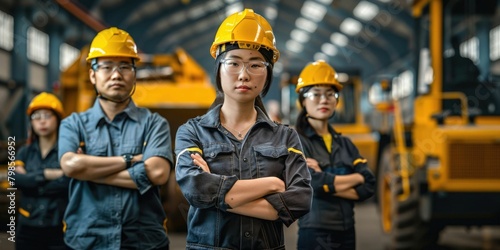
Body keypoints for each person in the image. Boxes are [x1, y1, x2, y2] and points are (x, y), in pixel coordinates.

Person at [175, 9, 312, 250]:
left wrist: (215, 196)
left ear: (268, 72)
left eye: (255, 64)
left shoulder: (286, 137)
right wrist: (272, 184)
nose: (244, 74)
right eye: (234, 62)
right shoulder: (192, 132)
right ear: (218, 68)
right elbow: (195, 189)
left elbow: (299, 200)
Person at [58, 27, 173, 250]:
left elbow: (158, 173)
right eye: (107, 67)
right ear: (93, 74)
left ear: (134, 73)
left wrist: (88, 172)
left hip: (143, 241)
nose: (116, 75)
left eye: (124, 67)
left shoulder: (154, 123)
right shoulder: (73, 124)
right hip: (87, 239)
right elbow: (70, 165)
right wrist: (132, 161)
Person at [294, 60, 375, 250]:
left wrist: (325, 183)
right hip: (315, 232)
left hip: (347, 232)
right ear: (303, 100)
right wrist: (355, 178)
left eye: (330, 94)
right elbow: (310, 183)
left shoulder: (345, 144)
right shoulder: (296, 142)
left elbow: (369, 185)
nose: (324, 100)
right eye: (316, 94)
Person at [14, 92, 69, 250]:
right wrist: (47, 174)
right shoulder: (24, 152)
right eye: (36, 117)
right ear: (31, 122)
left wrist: (31, 182)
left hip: (58, 228)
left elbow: (68, 182)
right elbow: (14, 179)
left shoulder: (67, 152)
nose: (42, 121)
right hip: (27, 228)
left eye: (47, 116)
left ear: (58, 120)